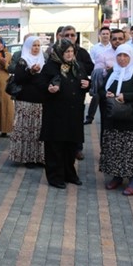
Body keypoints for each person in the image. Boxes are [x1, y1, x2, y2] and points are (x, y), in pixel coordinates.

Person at [99, 44, 133, 196]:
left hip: (132, 119)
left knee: (131, 150)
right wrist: (107, 94)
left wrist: (126, 96)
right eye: (119, 56)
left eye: (125, 56)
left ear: (130, 56)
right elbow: (102, 89)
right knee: (115, 149)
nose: (122, 59)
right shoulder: (113, 72)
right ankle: (117, 176)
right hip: (114, 118)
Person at [37, 39, 90, 189]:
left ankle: (69, 174)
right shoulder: (51, 66)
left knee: (71, 146)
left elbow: (84, 81)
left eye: (72, 51)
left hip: (73, 114)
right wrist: (49, 88)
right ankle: (55, 177)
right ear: (59, 52)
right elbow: (40, 84)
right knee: (56, 147)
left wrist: (87, 84)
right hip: (56, 115)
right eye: (66, 51)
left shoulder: (77, 66)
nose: (69, 54)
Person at [9, 35, 45, 167]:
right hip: (25, 100)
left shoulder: (43, 59)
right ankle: (28, 158)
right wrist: (31, 71)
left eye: (38, 45)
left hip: (40, 100)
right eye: (33, 45)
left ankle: (39, 157)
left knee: (38, 130)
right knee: (26, 130)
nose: (36, 48)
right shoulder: (23, 60)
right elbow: (19, 79)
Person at [61, 25, 94, 160]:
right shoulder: (56, 52)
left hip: (78, 94)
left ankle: (77, 149)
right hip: (62, 96)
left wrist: (77, 65)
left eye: (72, 35)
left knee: (77, 122)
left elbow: (90, 68)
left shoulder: (82, 52)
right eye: (67, 35)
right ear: (62, 37)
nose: (70, 37)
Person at [84, 27, 109, 125]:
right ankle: (89, 117)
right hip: (98, 76)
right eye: (103, 34)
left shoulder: (113, 48)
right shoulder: (95, 48)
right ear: (100, 35)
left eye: (107, 33)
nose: (105, 36)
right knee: (95, 96)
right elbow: (91, 62)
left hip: (109, 75)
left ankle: (108, 116)